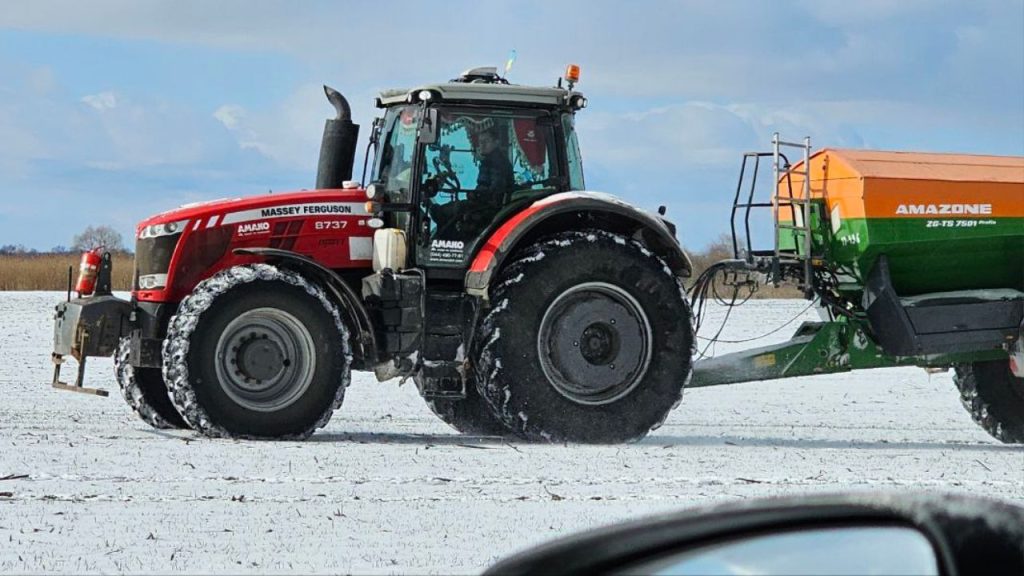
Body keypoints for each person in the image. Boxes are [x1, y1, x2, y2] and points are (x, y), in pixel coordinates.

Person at [473, 128, 514, 203]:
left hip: (490, 205)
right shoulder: (487, 160)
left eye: (487, 141)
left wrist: (477, 195)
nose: (483, 145)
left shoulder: (497, 162)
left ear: (496, 142)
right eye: (481, 142)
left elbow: (497, 187)